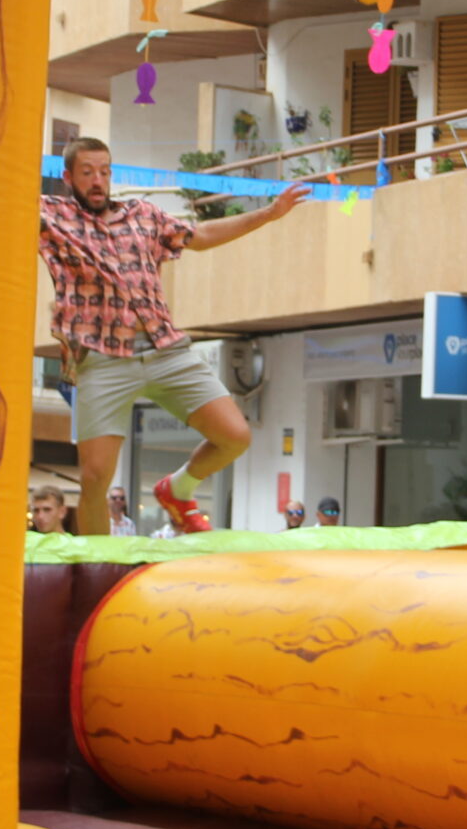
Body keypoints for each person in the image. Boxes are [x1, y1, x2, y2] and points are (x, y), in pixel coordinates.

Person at [39, 138, 311, 535]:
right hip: (103, 358)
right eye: (87, 173)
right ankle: (103, 569)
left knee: (235, 436)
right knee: (95, 477)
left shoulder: (143, 215)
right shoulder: (52, 216)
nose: (97, 181)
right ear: (67, 178)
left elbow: (200, 236)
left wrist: (268, 214)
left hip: (165, 349)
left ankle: (177, 488)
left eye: (104, 172)